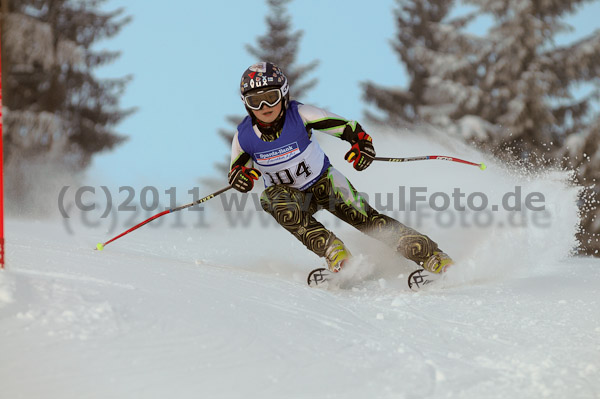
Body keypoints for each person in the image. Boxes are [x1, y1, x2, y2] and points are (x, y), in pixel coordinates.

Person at [228, 61, 453, 276]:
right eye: (255, 101)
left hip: (325, 183)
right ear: (246, 104)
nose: (264, 107)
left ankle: (432, 256)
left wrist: (362, 144)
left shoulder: (301, 114)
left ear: (284, 94)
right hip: (292, 197)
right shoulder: (244, 136)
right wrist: (241, 179)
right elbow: (238, 172)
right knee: (271, 198)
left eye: (271, 97)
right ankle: (334, 251)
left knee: (368, 220)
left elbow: (348, 128)